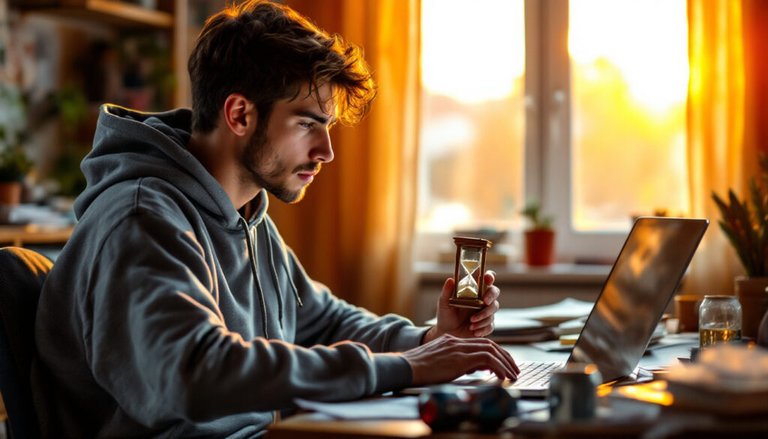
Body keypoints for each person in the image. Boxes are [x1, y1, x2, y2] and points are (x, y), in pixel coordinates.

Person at [34, 1, 519, 437]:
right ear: (240, 114)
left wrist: (431, 340)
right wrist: (405, 367)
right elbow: (196, 371)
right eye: (308, 123)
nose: (326, 152)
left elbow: (323, 320)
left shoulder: (246, 216)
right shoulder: (142, 219)